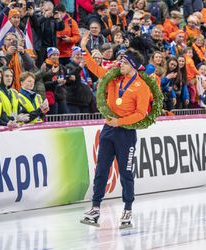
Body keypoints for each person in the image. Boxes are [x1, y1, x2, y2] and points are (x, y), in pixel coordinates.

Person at [80, 31, 151, 228]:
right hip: (108, 129)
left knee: (126, 173)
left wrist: (119, 123)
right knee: (101, 169)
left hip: (125, 132)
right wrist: (84, 47)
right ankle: (95, 208)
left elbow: (141, 114)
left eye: (125, 63)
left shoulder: (141, 87)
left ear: (134, 66)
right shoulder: (113, 77)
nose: (120, 65)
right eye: (120, 62)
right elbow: (95, 69)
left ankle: (127, 210)